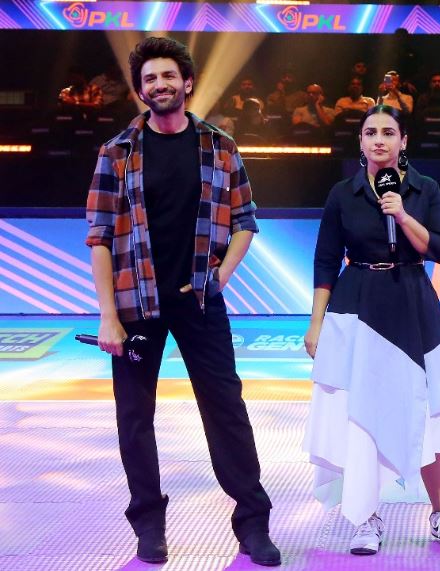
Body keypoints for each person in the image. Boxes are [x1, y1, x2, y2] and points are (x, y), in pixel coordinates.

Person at [84, 36, 280, 567]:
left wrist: (219, 277)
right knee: (135, 418)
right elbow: (99, 237)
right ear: (140, 89)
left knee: (226, 410)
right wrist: (107, 316)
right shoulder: (117, 152)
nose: (160, 84)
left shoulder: (220, 145)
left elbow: (245, 221)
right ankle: (149, 524)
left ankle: (253, 524)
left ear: (187, 83)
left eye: (168, 75)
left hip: (199, 301)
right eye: (149, 78)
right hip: (135, 304)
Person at [303, 104, 440, 556]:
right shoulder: (343, 193)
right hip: (356, 306)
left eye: (389, 132)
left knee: (430, 410)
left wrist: (402, 215)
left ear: (403, 141)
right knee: (361, 411)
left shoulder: (424, 189)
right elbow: (325, 260)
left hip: (413, 303)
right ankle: (366, 516)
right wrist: (316, 322)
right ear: (361, 141)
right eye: (371, 132)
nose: (379, 140)